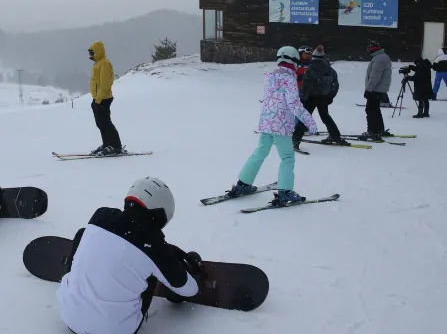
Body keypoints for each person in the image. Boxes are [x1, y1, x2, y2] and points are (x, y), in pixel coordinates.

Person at [57, 177, 202, 334]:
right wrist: (178, 267)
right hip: (114, 330)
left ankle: (79, 276)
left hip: (68, 316)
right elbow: (188, 290)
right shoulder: (153, 242)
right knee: (152, 266)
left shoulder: (100, 215)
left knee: (83, 234)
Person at [227, 46, 318, 206]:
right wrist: (309, 122)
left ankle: (243, 184)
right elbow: (294, 104)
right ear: (294, 61)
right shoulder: (289, 79)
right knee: (287, 157)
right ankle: (285, 192)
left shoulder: (270, 77)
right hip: (280, 125)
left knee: (260, 151)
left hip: (267, 122)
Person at [293, 45, 346, 146]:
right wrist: (330, 97)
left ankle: (295, 139)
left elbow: (305, 85)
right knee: (325, 117)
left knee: (305, 117)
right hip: (324, 98)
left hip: (311, 98)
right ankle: (336, 137)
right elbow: (335, 86)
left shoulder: (310, 69)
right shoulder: (330, 70)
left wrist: (303, 97)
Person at [88, 41, 123, 156]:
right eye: (90, 53)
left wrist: (98, 100)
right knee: (101, 124)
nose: (91, 55)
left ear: (97, 51)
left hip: (103, 98)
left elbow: (105, 84)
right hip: (98, 98)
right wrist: (95, 99)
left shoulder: (105, 64)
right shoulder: (98, 63)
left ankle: (116, 146)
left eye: (92, 52)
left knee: (106, 123)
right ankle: (107, 144)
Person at [362, 40, 392, 140]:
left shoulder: (379, 59)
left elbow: (375, 77)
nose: (368, 51)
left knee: (370, 110)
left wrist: (368, 89)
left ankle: (372, 131)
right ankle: (379, 129)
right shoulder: (382, 57)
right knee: (375, 110)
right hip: (378, 89)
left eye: (369, 48)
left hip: (375, 89)